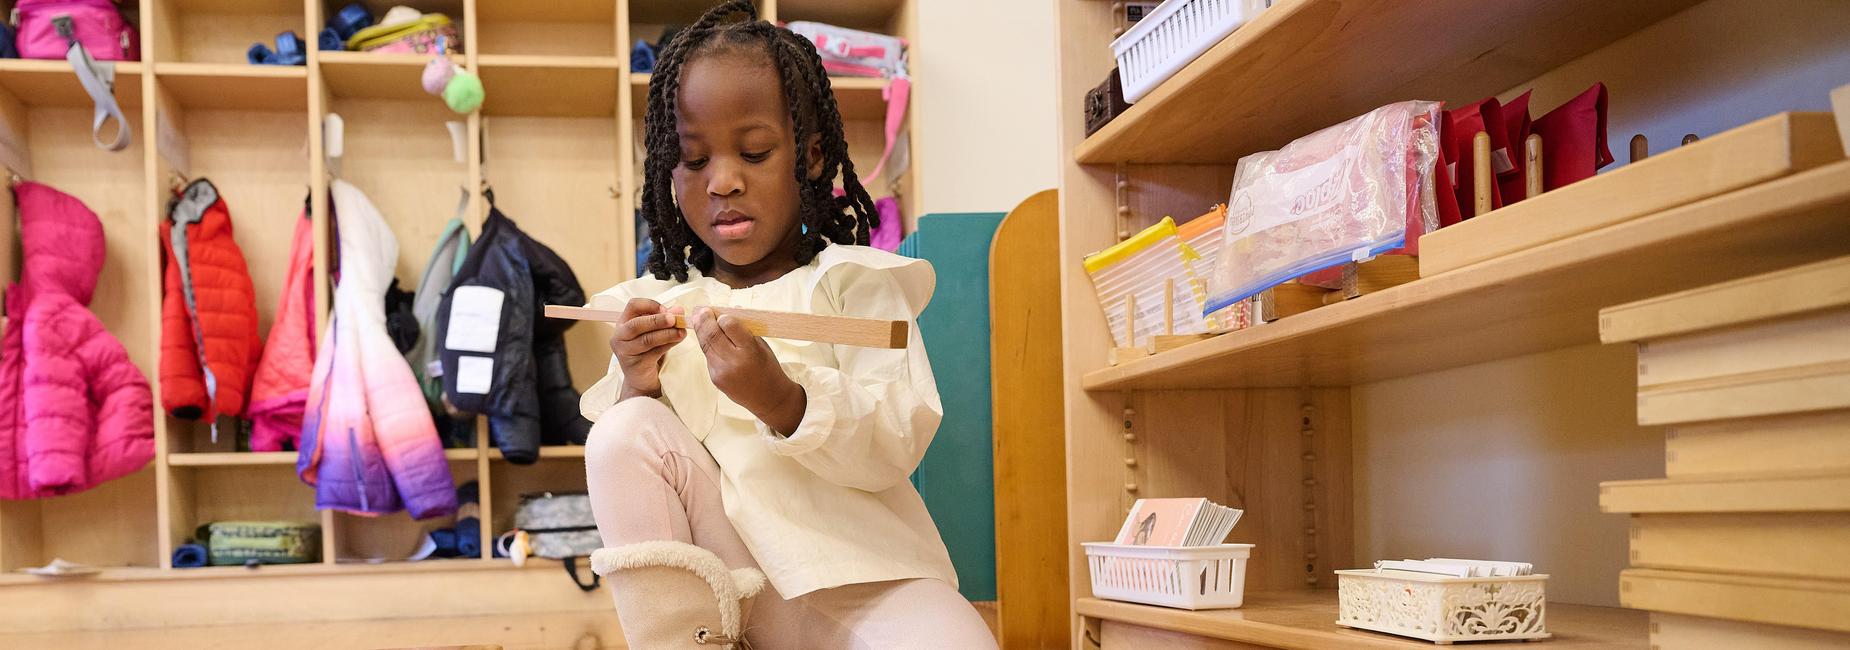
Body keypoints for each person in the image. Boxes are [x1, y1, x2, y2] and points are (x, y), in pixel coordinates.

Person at [578, 2, 995, 648]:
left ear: (812, 154)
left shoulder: (857, 283)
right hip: (736, 598)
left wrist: (784, 401)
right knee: (618, 433)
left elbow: (899, 435)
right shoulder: (655, 301)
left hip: (868, 581)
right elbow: (638, 470)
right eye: (692, 160)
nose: (722, 181)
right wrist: (639, 387)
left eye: (754, 151)